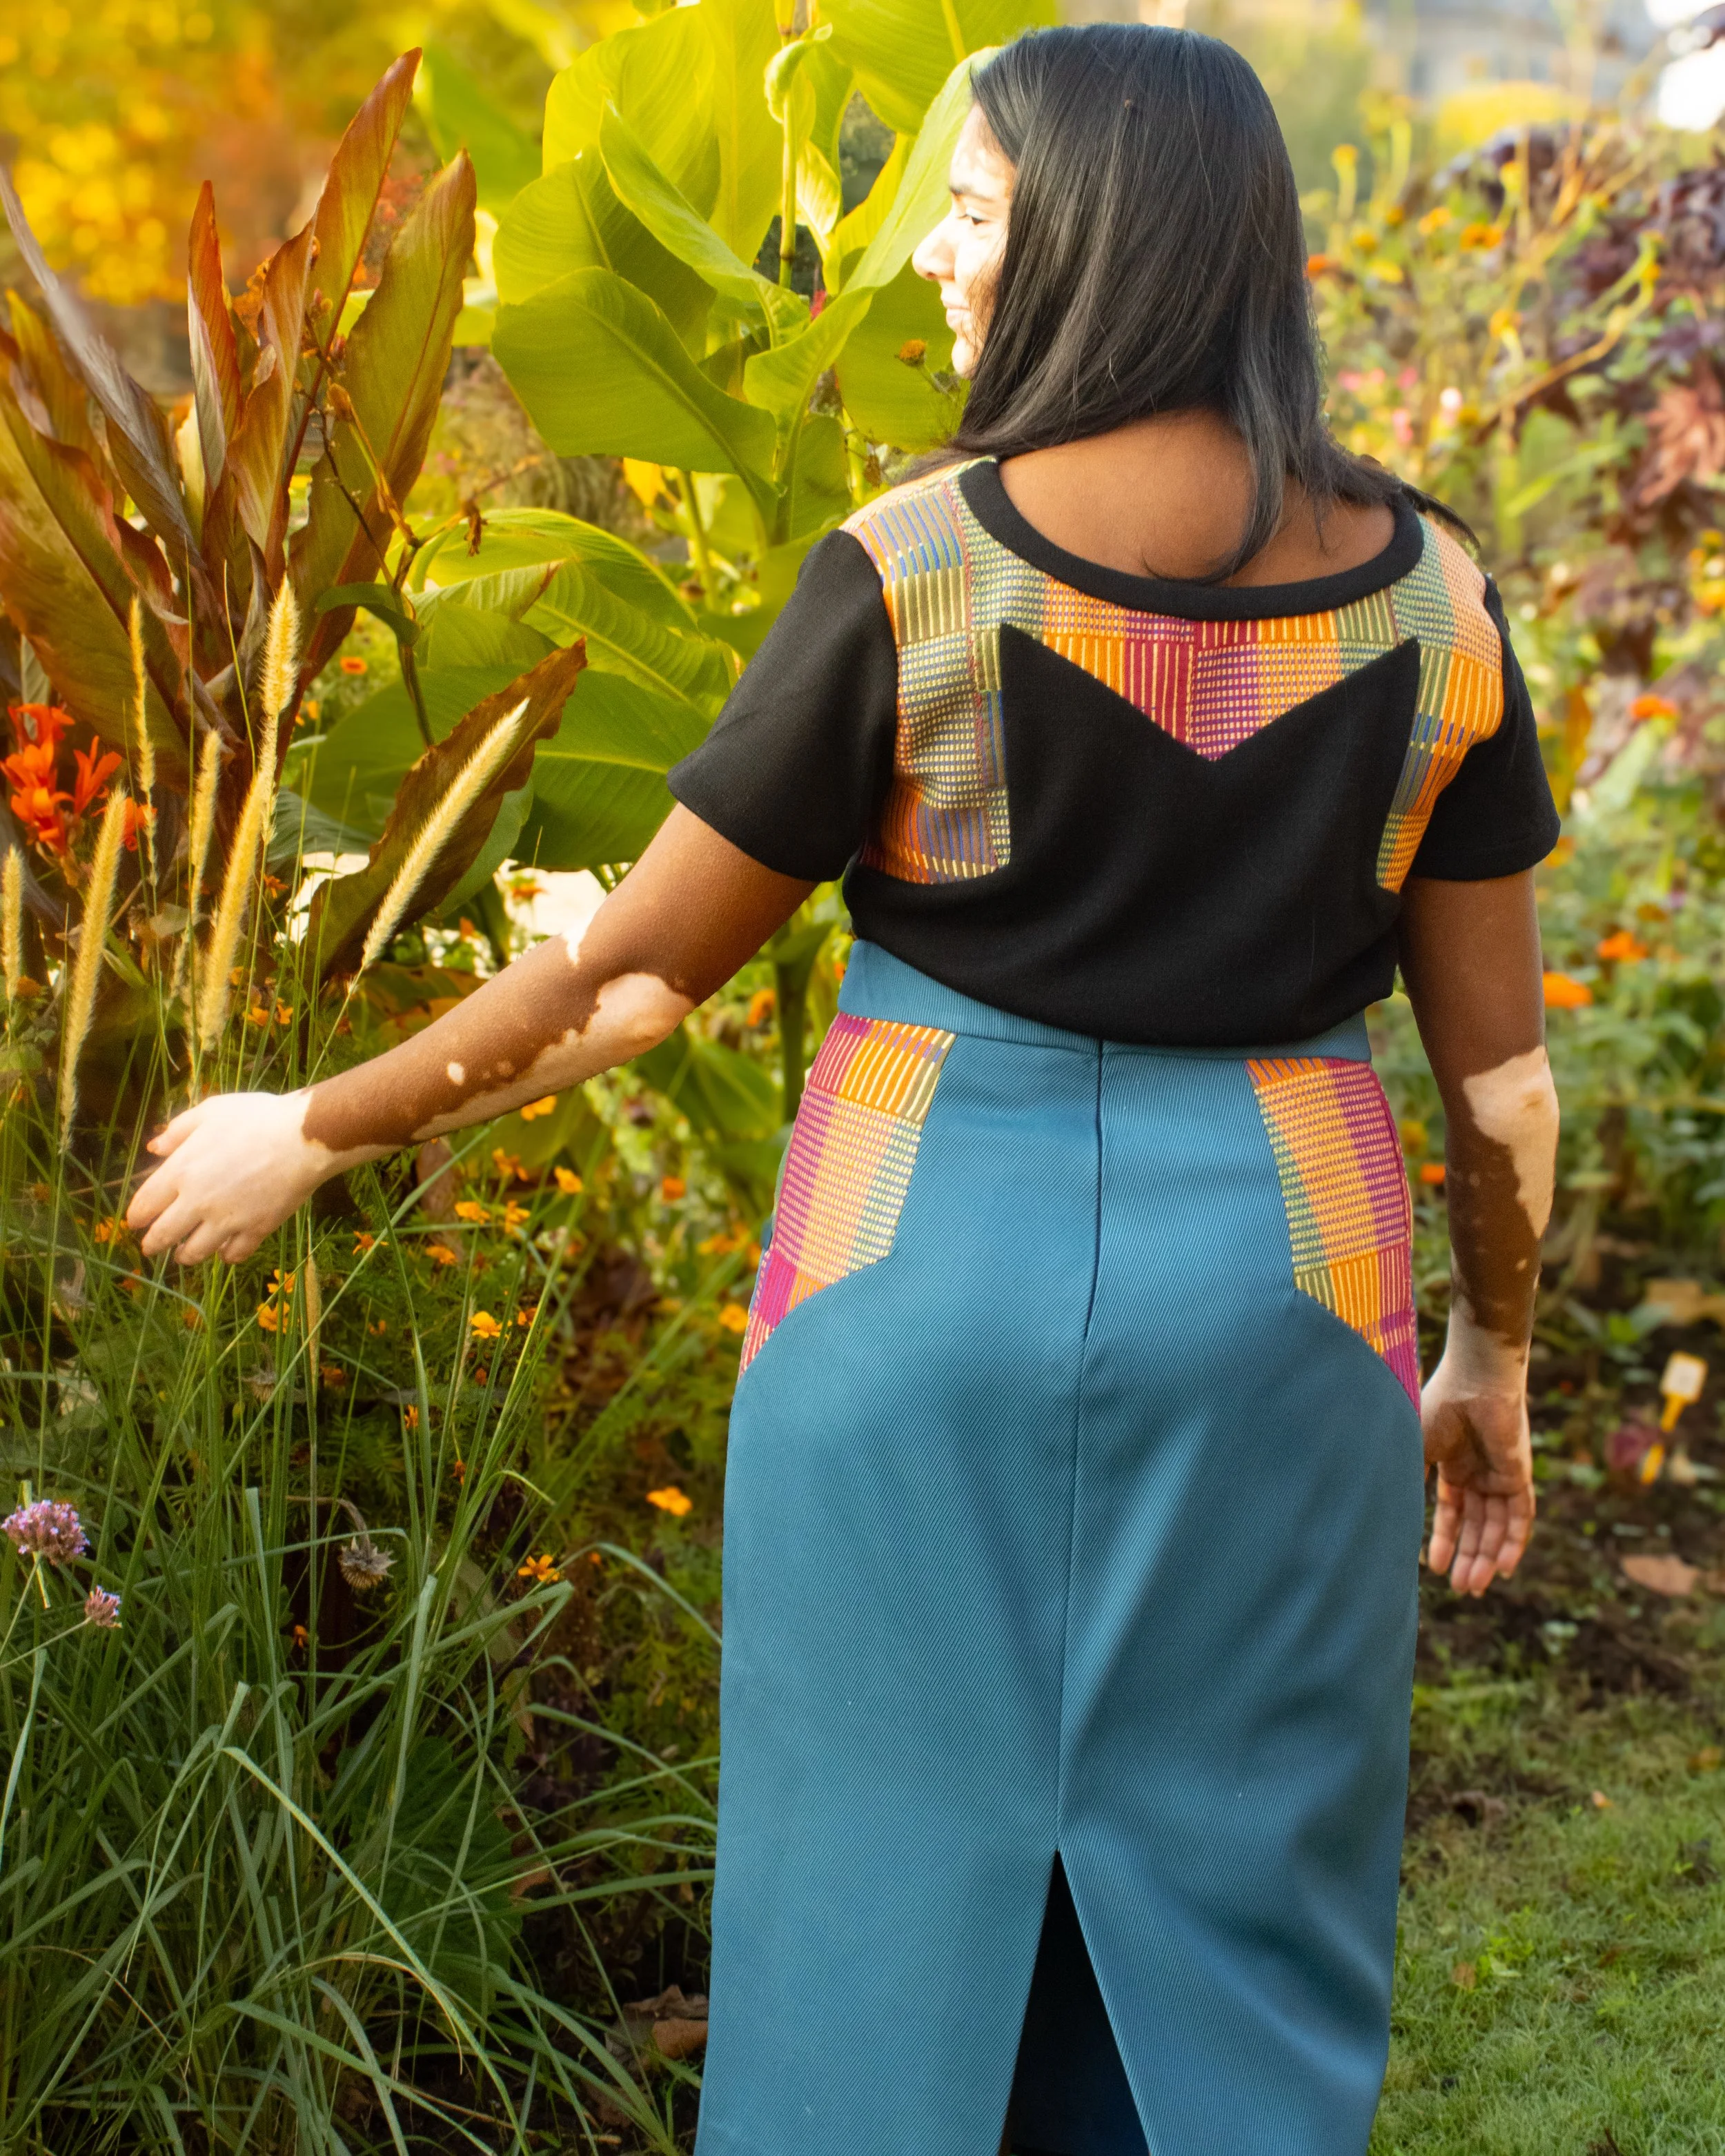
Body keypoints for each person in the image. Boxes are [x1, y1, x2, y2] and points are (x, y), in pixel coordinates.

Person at [130, 23, 1561, 2156]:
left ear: (1097, 241)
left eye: (977, 216)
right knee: (1238, 1908)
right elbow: (1509, 1088)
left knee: (872, 1897)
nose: (942, 267)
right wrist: (1493, 1347)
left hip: (917, 1281)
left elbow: (626, 989)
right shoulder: (1434, 597)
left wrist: (309, 1127)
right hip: (1284, 1289)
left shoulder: (917, 572)